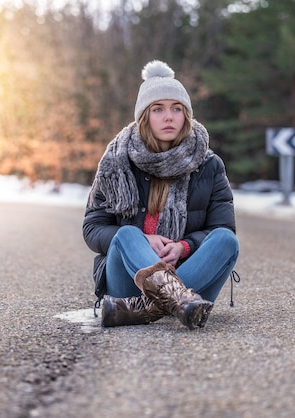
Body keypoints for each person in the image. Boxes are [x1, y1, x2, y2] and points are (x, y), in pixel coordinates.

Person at [82, 60, 239, 330]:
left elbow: (221, 227)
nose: (169, 117)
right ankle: (179, 301)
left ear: (186, 115)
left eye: (176, 109)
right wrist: (143, 241)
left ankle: (142, 309)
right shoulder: (116, 162)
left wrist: (183, 247)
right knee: (127, 235)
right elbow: (93, 228)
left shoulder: (209, 165)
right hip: (127, 281)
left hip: (189, 273)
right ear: (145, 116)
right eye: (158, 109)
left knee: (226, 240)